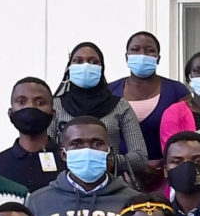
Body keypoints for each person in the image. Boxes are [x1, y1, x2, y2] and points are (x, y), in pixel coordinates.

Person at [50, 42, 152, 182]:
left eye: (93, 62)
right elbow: (46, 151)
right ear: (69, 68)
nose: (86, 66)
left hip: (111, 185)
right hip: (64, 185)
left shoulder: (120, 106)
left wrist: (112, 161)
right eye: (78, 61)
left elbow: (140, 157)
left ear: (102, 68)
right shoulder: (55, 106)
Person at [0, 77, 66, 193]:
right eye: (21, 102)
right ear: (10, 113)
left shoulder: (69, 163)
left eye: (40, 102)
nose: (30, 107)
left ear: (53, 114)